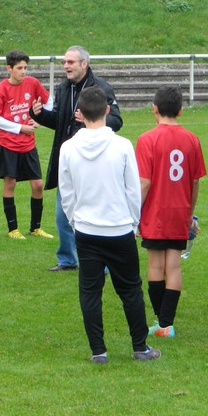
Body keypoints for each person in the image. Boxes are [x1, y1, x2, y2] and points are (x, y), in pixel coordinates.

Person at [59, 87, 159, 363]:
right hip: (118, 228)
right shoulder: (122, 145)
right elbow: (132, 190)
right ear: (106, 110)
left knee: (90, 291)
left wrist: (75, 220)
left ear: (79, 113)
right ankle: (139, 346)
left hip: (88, 229)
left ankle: (98, 351)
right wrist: (133, 221)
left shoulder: (69, 148)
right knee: (130, 289)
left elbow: (66, 193)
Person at [32, 46, 122, 271]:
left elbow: (117, 121)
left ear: (84, 64)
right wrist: (39, 115)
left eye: (70, 62)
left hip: (95, 160)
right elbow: (60, 122)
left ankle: (102, 264)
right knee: (63, 212)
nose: (66, 66)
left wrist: (89, 119)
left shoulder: (101, 89)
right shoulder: (62, 89)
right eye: (64, 62)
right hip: (69, 160)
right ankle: (67, 259)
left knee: (96, 210)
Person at [135, 85, 206, 338]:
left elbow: (144, 182)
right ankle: (167, 323)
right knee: (173, 266)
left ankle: (162, 323)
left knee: (155, 266)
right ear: (181, 111)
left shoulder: (146, 139)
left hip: (155, 211)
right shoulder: (192, 139)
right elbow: (195, 182)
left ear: (154, 109)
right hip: (179, 211)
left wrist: (134, 215)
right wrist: (189, 214)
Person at [0, 50, 53, 240]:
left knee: (38, 185)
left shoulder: (32, 83)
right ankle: (13, 229)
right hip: (9, 144)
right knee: (10, 184)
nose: (23, 71)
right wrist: (19, 128)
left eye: (25, 67)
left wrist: (40, 120)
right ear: (9, 68)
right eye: (19, 68)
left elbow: (50, 102)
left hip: (28, 144)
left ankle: (35, 228)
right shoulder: (0, 89)